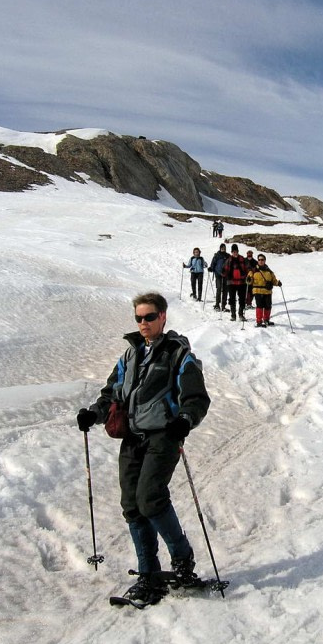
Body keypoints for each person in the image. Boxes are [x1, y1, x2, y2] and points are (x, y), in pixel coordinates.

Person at [76, 292, 211, 604]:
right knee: (132, 505)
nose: (143, 323)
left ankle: (182, 561)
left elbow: (196, 398)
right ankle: (149, 574)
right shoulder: (129, 355)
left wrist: (185, 420)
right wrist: (93, 414)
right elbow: (111, 394)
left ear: (162, 317)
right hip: (133, 438)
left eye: (149, 317)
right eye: (139, 318)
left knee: (150, 498)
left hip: (164, 436)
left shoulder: (178, 355)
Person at [246, 254, 282, 327]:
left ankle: (266, 320)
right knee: (259, 306)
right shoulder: (253, 270)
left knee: (268, 306)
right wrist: (249, 279)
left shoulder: (269, 271)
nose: (260, 261)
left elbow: (273, 280)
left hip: (267, 291)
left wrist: (277, 283)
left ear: (265, 261)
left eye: (262, 260)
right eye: (259, 260)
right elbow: (249, 281)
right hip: (257, 290)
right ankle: (259, 321)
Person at [221, 244, 250, 322]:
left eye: (236, 251)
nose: (235, 253)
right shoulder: (228, 260)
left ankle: (241, 314)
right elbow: (224, 270)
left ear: (238, 251)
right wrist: (223, 273)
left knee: (242, 299)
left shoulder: (242, 259)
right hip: (231, 282)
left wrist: (249, 276)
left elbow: (247, 269)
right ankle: (233, 315)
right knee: (232, 299)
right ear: (231, 252)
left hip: (242, 282)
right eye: (233, 252)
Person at [208, 243, 229, 311]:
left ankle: (223, 305)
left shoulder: (228, 256)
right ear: (220, 248)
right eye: (222, 248)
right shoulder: (217, 255)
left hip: (226, 274)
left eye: (224, 248)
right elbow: (213, 263)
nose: (223, 249)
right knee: (219, 288)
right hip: (218, 274)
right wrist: (211, 268)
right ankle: (217, 304)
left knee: (225, 290)